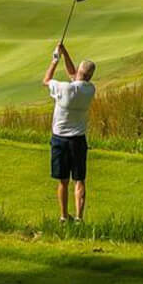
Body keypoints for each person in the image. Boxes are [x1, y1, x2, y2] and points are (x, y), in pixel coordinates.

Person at [42, 42, 96, 222]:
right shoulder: (90, 89)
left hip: (59, 140)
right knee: (79, 180)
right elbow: (75, 76)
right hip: (78, 141)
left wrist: (55, 60)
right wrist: (65, 53)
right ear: (89, 75)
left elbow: (46, 80)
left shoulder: (64, 88)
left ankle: (64, 217)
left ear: (80, 72)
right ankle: (79, 219)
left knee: (63, 181)